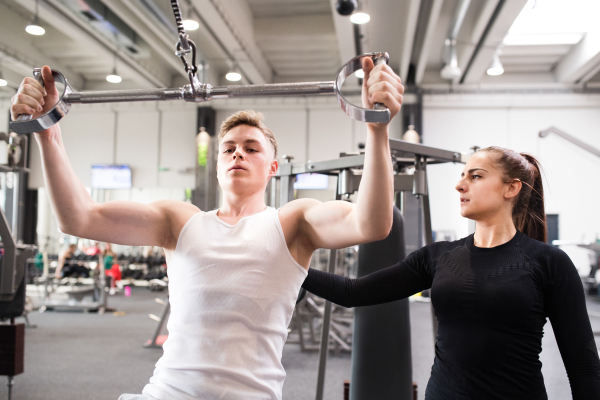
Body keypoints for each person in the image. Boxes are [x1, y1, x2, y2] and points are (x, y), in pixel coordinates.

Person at [11, 58, 404, 400]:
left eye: (251, 148)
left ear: (272, 168)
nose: (238, 152)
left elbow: (371, 223)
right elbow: (79, 217)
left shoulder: (291, 222)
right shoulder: (179, 221)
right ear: (217, 165)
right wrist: (48, 134)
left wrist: (376, 128)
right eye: (229, 148)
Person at [302, 147, 600, 399]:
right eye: (462, 176)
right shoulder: (439, 256)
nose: (460, 185)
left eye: (476, 176)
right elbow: (354, 292)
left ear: (511, 188)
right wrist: (290, 267)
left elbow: (583, 365)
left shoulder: (549, 262)